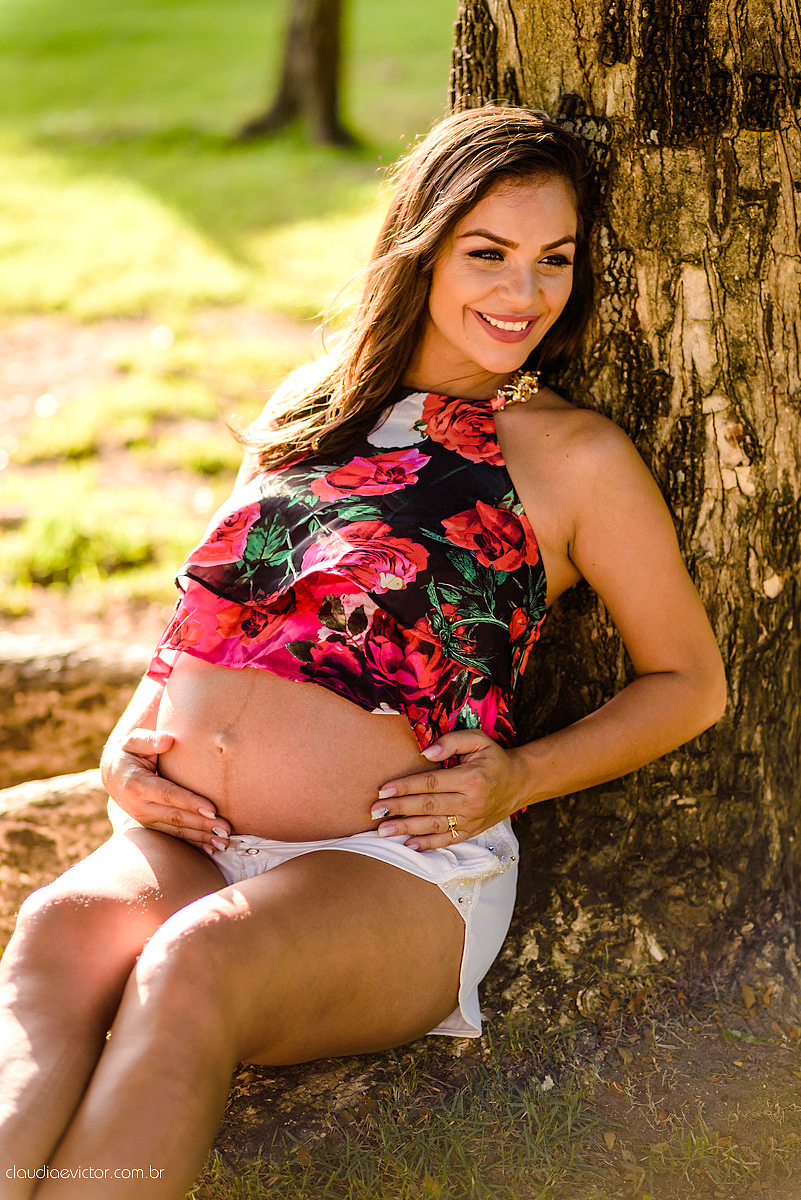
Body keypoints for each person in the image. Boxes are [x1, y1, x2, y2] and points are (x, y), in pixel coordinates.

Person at [0, 106, 726, 1199]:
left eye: (553, 261)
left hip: (388, 871)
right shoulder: (316, 406)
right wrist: (123, 749)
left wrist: (521, 776)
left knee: (194, 968)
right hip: (192, 838)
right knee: (59, 932)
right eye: (488, 254)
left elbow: (692, 685)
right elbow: (212, 611)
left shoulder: (573, 456)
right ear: (422, 246)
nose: (523, 295)